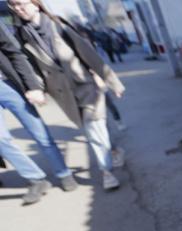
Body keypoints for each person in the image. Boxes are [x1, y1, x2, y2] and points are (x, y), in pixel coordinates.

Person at [9, 0, 125, 190]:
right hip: (62, 93)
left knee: (94, 128)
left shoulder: (58, 25)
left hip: (85, 85)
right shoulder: (22, 35)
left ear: (36, 4)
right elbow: (33, 68)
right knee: (92, 129)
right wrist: (37, 89)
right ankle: (114, 150)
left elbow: (88, 54)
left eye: (21, 4)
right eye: (13, 6)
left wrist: (112, 81)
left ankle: (107, 172)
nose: (18, 9)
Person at [0, 21, 76, 204]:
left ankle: (63, 173)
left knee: (39, 132)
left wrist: (32, 86)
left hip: (7, 85)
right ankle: (36, 178)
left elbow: (14, 53)